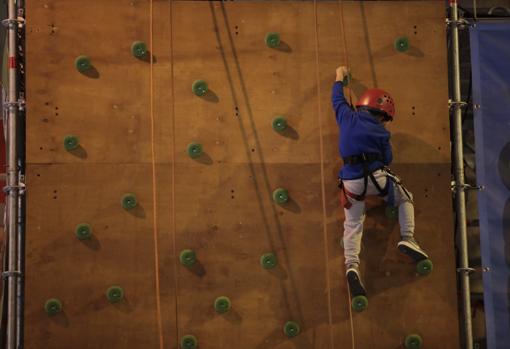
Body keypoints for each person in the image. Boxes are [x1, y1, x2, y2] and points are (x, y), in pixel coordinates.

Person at [332, 66, 429, 300]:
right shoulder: (382, 133)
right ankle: (408, 238)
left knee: (353, 223)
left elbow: (337, 99)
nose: (384, 123)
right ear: (381, 114)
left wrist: (339, 79)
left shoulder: (346, 116)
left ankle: (352, 266)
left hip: (351, 182)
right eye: (384, 118)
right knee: (405, 197)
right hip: (377, 178)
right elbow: (388, 159)